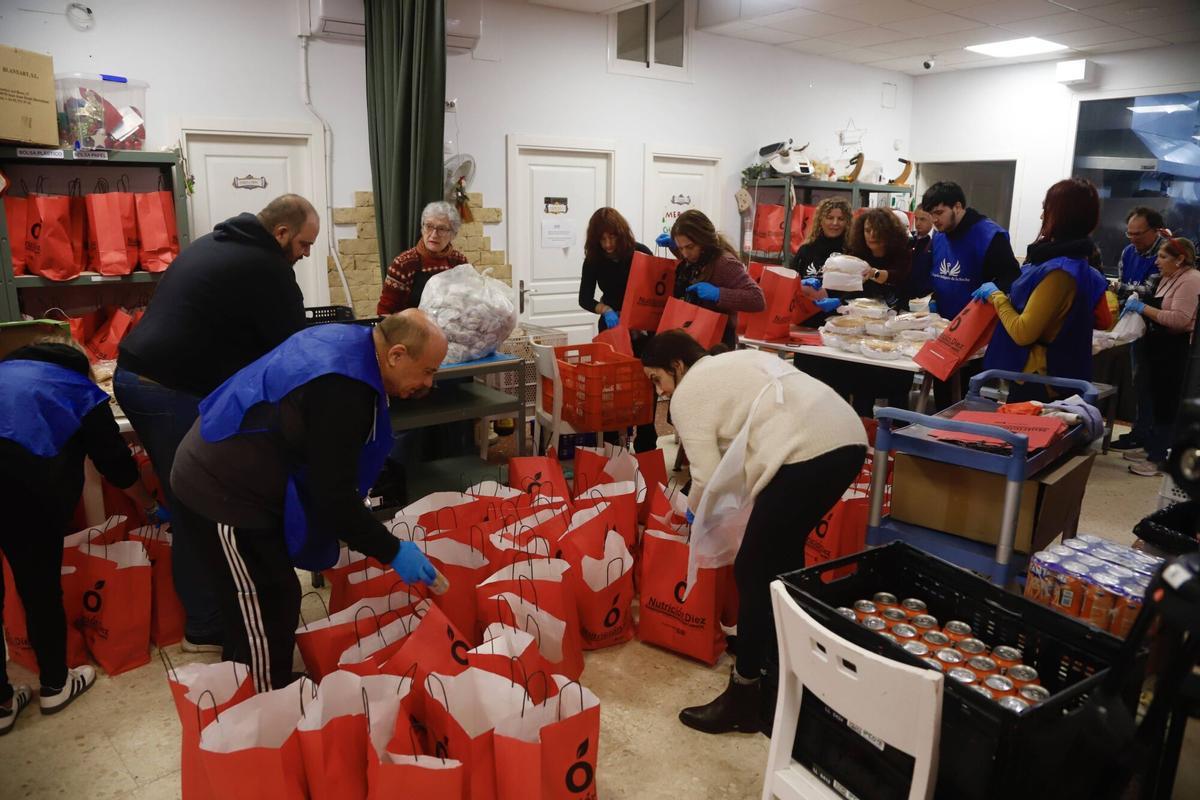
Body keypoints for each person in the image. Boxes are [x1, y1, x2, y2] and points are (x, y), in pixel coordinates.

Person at [171, 310, 446, 691]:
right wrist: (392, 550)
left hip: (241, 472)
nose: (428, 384)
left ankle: (256, 680)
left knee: (274, 594)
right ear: (397, 354)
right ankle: (266, 704)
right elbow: (332, 496)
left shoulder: (353, 343)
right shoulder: (344, 388)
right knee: (261, 604)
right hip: (222, 489)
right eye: (428, 371)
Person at [114, 194, 315, 652]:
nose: (306, 254)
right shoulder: (266, 268)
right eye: (304, 243)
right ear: (281, 233)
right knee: (198, 501)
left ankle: (208, 614)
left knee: (193, 496)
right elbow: (293, 353)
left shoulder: (217, 242)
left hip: (142, 377)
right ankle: (205, 626)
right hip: (164, 388)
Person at [640, 331, 867, 734]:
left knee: (752, 568)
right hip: (847, 439)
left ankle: (745, 695)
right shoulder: (733, 360)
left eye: (657, 379)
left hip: (808, 453)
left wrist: (692, 519)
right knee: (781, 561)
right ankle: (781, 670)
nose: (660, 392)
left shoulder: (688, 392)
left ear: (678, 365)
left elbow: (707, 478)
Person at [1, 339, 169, 732]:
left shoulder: (8, 373)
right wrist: (148, 504)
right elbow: (113, 460)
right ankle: (56, 684)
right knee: (38, 585)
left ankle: (2, 704)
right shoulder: (76, 388)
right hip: (24, 491)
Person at [972, 177, 1109, 402]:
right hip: (1050, 375)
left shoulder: (1060, 273)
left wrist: (996, 296)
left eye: (1046, 208)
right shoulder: (1074, 265)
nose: (1041, 216)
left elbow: (1023, 332)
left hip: (1041, 382)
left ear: (1063, 215)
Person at [577, 207, 657, 452]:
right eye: (602, 239)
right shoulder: (593, 259)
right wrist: (605, 310)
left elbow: (656, 291)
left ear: (622, 235)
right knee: (612, 384)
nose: (608, 244)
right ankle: (614, 445)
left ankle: (646, 443)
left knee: (644, 384)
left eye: (612, 237)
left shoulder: (640, 253)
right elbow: (584, 298)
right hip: (612, 327)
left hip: (642, 329)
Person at [1119, 237, 1200, 477]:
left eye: (1163, 257)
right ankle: (1151, 447)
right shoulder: (1167, 277)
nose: (1157, 261)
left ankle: (1158, 459)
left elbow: (1179, 319)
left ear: (1180, 259)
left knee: (1167, 404)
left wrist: (1143, 309)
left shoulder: (1191, 280)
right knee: (1153, 399)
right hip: (1157, 346)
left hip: (1175, 350)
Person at [1110, 207, 1169, 452]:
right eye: (1129, 233)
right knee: (1139, 380)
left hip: (1161, 329)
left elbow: (1150, 290)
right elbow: (1126, 287)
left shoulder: (1166, 252)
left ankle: (1153, 437)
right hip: (1135, 324)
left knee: (1156, 383)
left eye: (1139, 233)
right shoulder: (1128, 251)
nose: (1133, 238)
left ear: (1155, 231)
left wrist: (1120, 289)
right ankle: (1139, 431)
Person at [922, 181, 1021, 321]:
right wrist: (935, 297)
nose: (934, 220)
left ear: (957, 207)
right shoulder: (939, 234)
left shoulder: (990, 236)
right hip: (942, 322)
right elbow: (940, 274)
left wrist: (996, 287)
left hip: (976, 323)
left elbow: (1012, 276)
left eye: (939, 212)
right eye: (931, 214)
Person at [670, 210, 765, 347]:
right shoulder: (695, 258)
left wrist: (719, 294)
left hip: (718, 345)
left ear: (704, 241)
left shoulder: (724, 263)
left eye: (690, 247)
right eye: (680, 248)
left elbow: (757, 299)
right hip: (693, 338)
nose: (685, 254)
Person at [377, 201, 469, 315]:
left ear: (453, 234)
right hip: (412, 330)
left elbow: (468, 303)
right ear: (422, 229)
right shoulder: (404, 263)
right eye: (429, 226)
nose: (434, 234)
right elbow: (384, 311)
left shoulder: (459, 262)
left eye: (442, 229)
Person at [791, 197, 851, 280]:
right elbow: (793, 283)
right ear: (820, 220)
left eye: (841, 219)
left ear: (847, 222)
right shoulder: (806, 250)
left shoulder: (852, 251)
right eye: (830, 218)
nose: (835, 223)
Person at [908, 207, 934, 301]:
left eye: (922, 219)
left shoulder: (937, 240)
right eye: (916, 218)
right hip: (905, 293)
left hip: (925, 297)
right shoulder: (909, 238)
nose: (918, 223)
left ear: (932, 218)